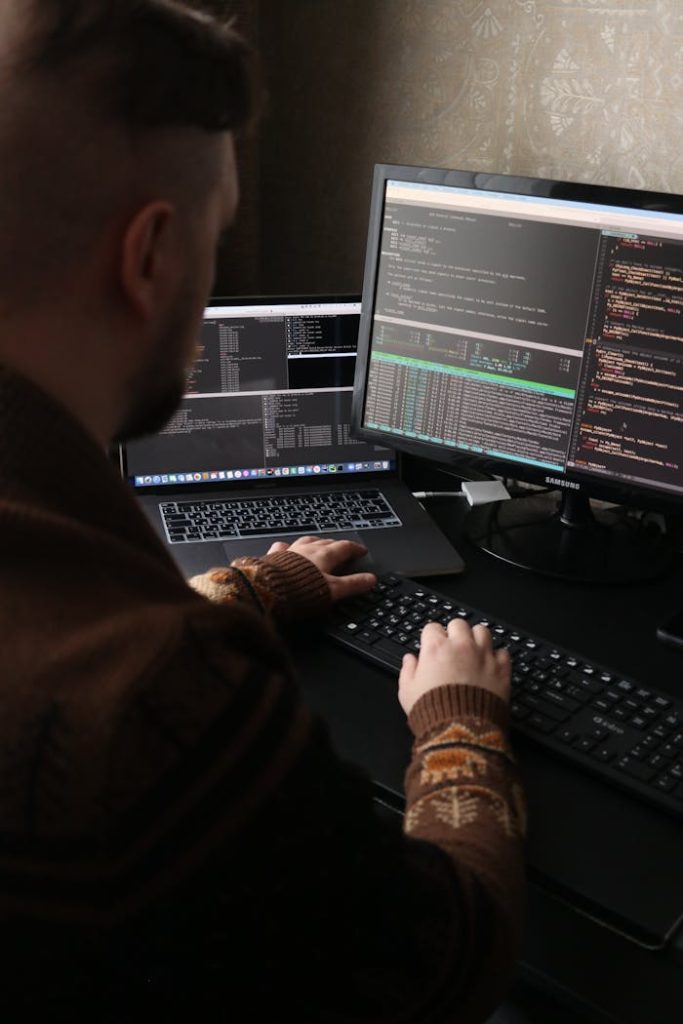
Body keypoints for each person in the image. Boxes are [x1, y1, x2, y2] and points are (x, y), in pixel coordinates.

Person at [0, 1, 526, 1020]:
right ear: (150, 254)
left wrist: (237, 587)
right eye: (215, 234)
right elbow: (441, 963)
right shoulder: (163, 703)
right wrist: (459, 725)